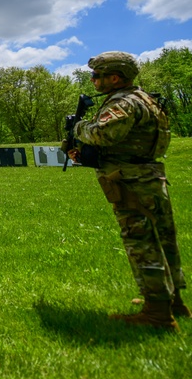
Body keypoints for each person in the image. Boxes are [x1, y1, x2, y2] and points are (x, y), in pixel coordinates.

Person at [70, 51, 187, 329]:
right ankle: (172, 300)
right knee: (163, 240)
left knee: (142, 243)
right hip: (148, 175)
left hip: (131, 180)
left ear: (115, 77)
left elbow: (102, 133)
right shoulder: (145, 99)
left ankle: (157, 314)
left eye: (97, 75)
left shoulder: (123, 103)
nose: (93, 80)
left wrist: (80, 127)